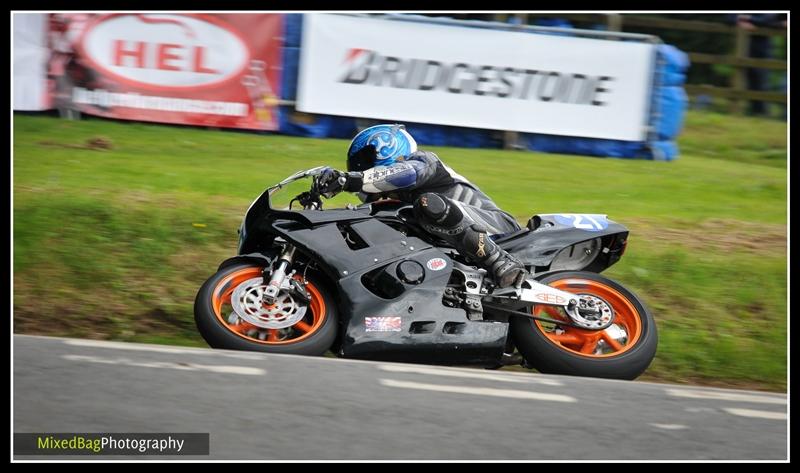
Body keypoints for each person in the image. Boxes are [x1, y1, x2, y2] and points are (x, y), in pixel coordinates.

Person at [316, 124, 528, 288]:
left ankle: (500, 261)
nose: (362, 170)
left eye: (364, 163)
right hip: (460, 251)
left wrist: (351, 179)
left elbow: (407, 173)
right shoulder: (391, 201)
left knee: (427, 204)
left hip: (500, 230)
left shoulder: (424, 162)